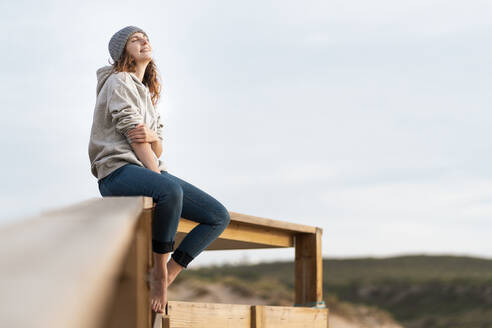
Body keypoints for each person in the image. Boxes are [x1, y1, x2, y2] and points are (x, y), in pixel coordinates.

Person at [88, 26, 231, 313]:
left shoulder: (149, 96)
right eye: (134, 39)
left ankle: (169, 270)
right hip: (116, 172)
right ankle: (159, 272)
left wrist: (153, 137)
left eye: (145, 37)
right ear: (122, 52)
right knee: (169, 189)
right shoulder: (118, 81)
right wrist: (159, 179)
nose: (143, 41)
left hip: (145, 170)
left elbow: (156, 146)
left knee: (218, 216)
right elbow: (135, 139)